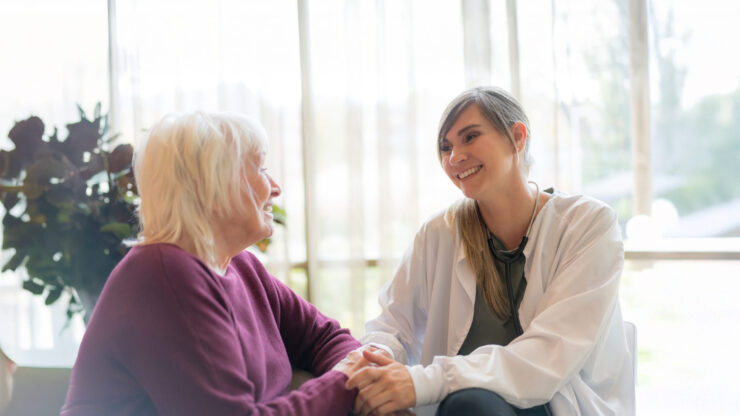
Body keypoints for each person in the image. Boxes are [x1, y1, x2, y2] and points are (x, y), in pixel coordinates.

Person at [347, 87, 634, 415]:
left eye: (469, 137)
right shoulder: (439, 232)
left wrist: (425, 381)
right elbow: (393, 324)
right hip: (464, 406)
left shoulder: (587, 224)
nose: (454, 157)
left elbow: (550, 354)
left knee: (471, 403)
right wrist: (376, 360)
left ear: (517, 136)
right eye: (446, 147)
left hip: (553, 403)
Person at [62, 112, 372, 415]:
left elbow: (325, 338)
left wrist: (362, 380)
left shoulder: (242, 267)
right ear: (212, 185)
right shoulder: (163, 274)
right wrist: (346, 380)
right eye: (261, 169)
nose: (276, 187)